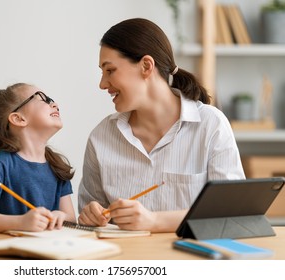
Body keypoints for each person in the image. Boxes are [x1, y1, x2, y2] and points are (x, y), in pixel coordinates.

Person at [78, 18, 245, 233]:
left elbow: (232, 213)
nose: (102, 84)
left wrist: (155, 222)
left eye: (110, 71)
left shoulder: (211, 125)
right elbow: (87, 217)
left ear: (146, 66)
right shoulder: (101, 137)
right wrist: (90, 215)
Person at [0, 82, 76, 233]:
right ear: (18, 119)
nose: (54, 103)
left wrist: (60, 216)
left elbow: (71, 218)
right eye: (43, 99)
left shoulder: (57, 166)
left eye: (50, 99)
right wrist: (21, 222)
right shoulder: (1, 164)